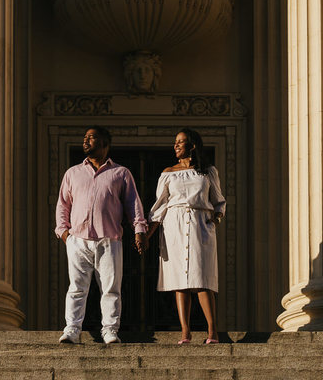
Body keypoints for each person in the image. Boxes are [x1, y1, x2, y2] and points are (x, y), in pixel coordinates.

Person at [55, 126, 149, 345]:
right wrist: (64, 233)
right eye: (85, 137)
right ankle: (72, 329)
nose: (86, 140)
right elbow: (63, 205)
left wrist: (140, 230)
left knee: (110, 288)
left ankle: (110, 330)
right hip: (78, 239)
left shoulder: (121, 173)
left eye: (92, 137)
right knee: (77, 287)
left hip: (109, 239)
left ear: (105, 143)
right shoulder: (73, 173)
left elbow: (133, 204)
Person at [147, 127, 226, 344]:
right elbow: (159, 207)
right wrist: (147, 235)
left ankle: (212, 332)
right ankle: (185, 332)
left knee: (202, 278)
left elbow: (219, 200)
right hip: (174, 225)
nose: (175, 145)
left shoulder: (208, 171)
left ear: (192, 145)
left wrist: (216, 219)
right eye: (175, 142)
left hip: (201, 223)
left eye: (180, 142)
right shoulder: (167, 173)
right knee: (179, 281)